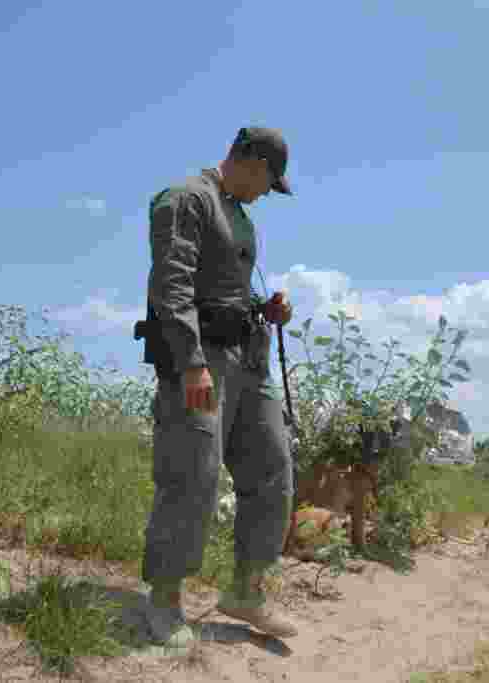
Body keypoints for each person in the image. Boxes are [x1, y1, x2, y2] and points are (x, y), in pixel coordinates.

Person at [141, 126, 298, 647]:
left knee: (274, 468)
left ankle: (247, 591)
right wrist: (189, 362)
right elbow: (172, 282)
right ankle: (163, 600)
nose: (265, 194)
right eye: (268, 182)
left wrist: (265, 309)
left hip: (246, 360)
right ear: (249, 160)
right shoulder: (187, 199)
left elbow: (225, 289)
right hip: (200, 357)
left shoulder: (239, 216)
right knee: (193, 475)